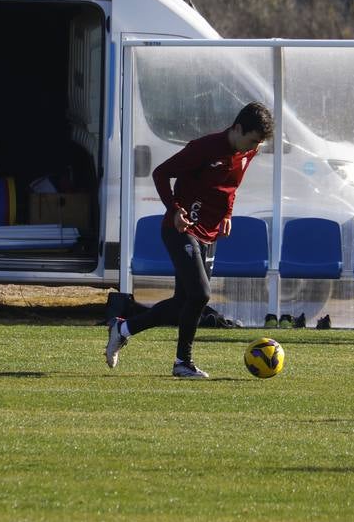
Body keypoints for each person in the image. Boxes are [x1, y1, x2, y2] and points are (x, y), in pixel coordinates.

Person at [105, 102, 274, 379]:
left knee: (184, 303)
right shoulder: (204, 148)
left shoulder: (248, 151)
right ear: (237, 128)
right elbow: (161, 173)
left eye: (258, 144)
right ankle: (183, 362)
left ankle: (123, 329)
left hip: (210, 232)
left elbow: (232, 184)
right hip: (181, 229)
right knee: (201, 294)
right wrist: (174, 211)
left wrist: (227, 214)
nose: (254, 147)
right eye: (253, 140)